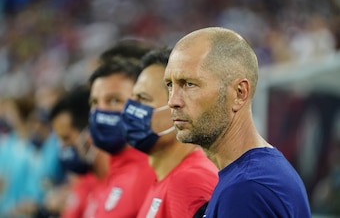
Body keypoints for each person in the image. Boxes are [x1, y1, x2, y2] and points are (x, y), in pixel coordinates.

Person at [164, 27, 312, 217]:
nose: (172, 101)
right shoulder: (252, 176)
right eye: (170, 85)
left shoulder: (247, 189)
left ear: (239, 93)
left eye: (189, 84)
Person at [120, 47, 218, 218]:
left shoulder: (190, 182)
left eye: (143, 99)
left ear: (178, 106)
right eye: (133, 98)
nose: (130, 109)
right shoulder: (167, 179)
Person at [85, 41, 156, 217]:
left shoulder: (151, 173)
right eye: (94, 102)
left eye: (114, 100)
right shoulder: (116, 171)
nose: (101, 113)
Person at [49, 86, 109, 218]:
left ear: (88, 134)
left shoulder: (125, 183)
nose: (63, 147)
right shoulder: (85, 183)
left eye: (66, 138)